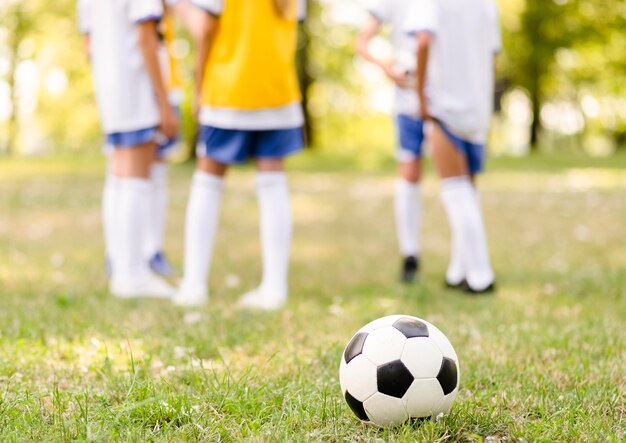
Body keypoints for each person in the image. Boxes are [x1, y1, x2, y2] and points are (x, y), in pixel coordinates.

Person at [174, 0, 307, 309]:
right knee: (273, 184)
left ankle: (194, 285)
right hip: (277, 89)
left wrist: (181, 8)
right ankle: (275, 288)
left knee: (207, 181)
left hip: (228, 89)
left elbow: (205, 28)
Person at [78, 0, 179, 298]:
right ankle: (133, 275)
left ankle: (123, 269)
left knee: (120, 178)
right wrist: (164, 102)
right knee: (136, 179)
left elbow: (88, 44)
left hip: (110, 88)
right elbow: (146, 38)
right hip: (135, 86)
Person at [407, 0, 500, 293]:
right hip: (477, 109)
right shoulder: (487, 4)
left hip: (445, 106)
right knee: (468, 193)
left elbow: (422, 43)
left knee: (456, 192)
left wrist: (421, 97)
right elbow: (491, 55)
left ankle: (481, 275)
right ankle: (458, 271)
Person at [356, 0, 424, 284]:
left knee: (456, 181)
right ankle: (410, 254)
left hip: (444, 101)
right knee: (409, 174)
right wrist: (386, 66)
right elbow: (361, 42)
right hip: (408, 102)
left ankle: (464, 264)